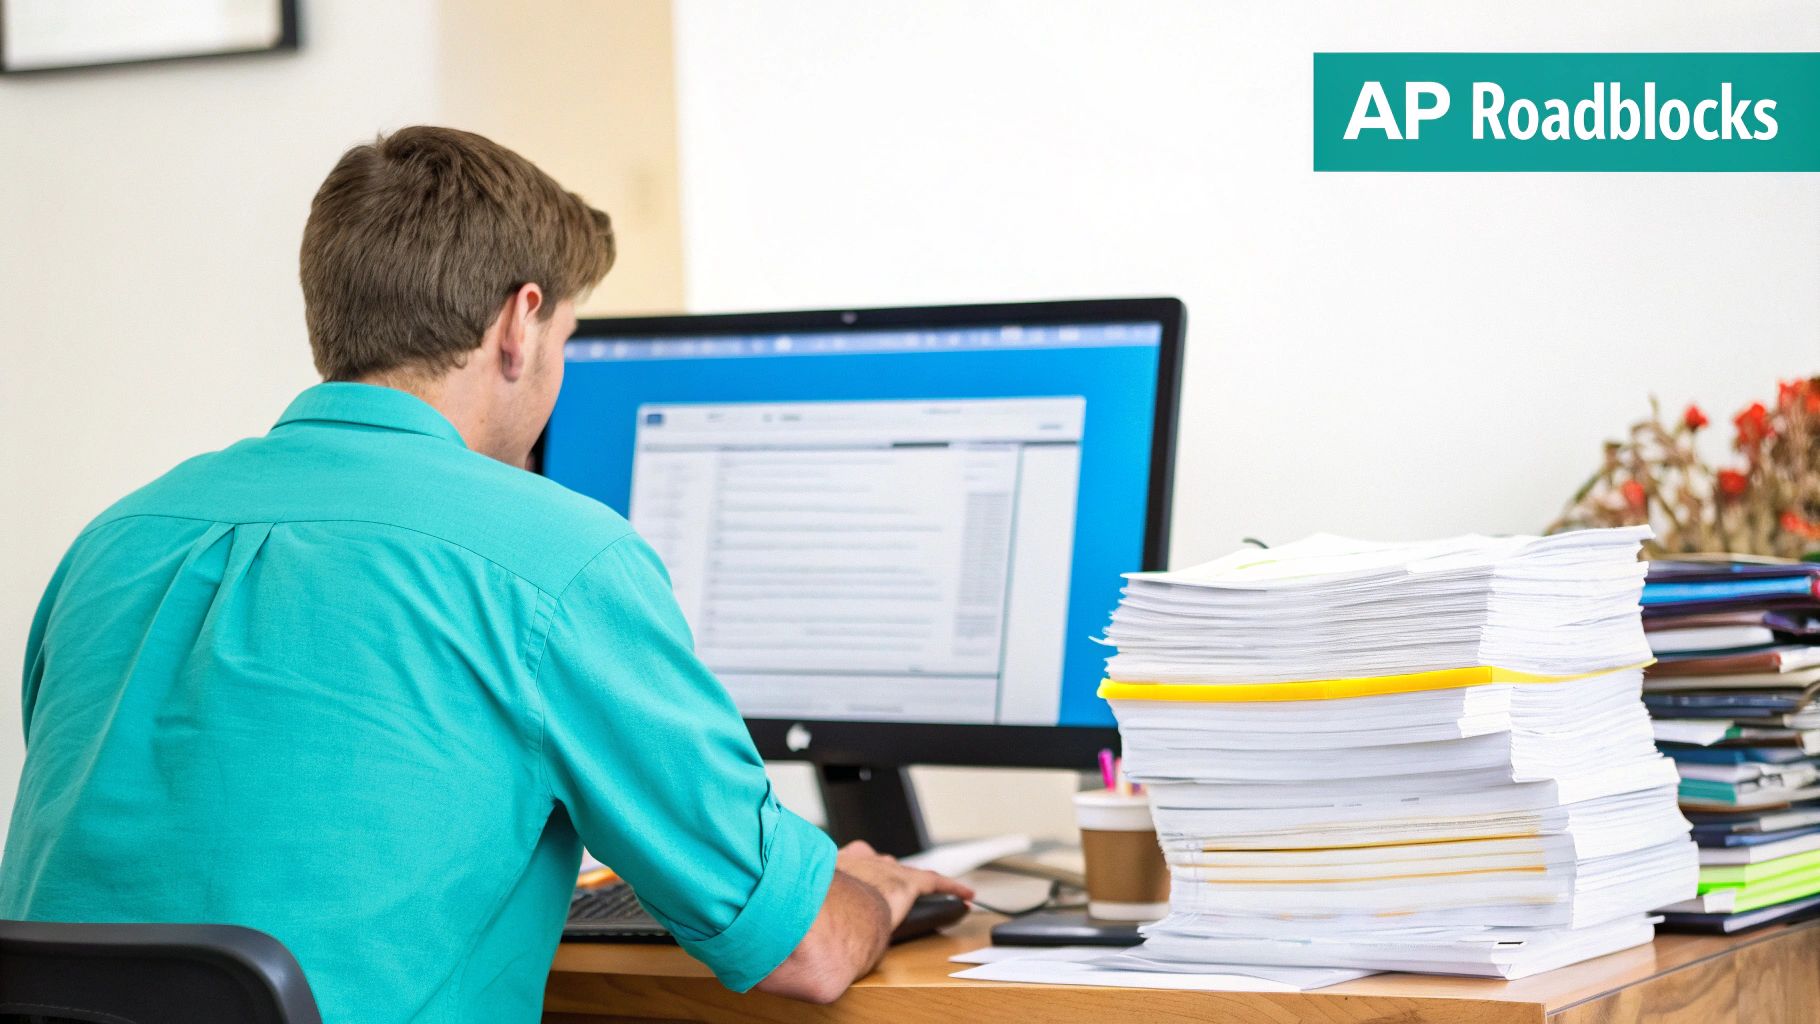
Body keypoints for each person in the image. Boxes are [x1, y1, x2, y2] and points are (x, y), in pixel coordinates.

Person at [0, 126, 970, 1023]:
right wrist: (869, 892)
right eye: (567, 344)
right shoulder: (552, 560)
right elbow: (801, 950)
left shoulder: (113, 542)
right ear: (521, 322)